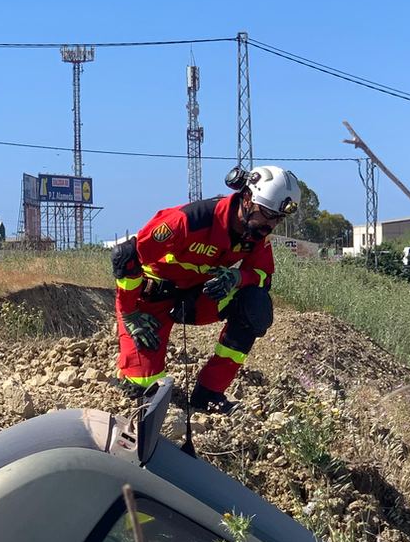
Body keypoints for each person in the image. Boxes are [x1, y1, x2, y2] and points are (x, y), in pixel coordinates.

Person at [111, 165, 301, 413]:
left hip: (196, 300)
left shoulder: (255, 233)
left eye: (278, 218)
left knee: (256, 305)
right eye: (266, 214)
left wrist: (237, 278)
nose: (271, 225)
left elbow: (263, 277)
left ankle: (208, 394)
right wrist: (129, 312)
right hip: (151, 304)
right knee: (144, 390)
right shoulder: (188, 221)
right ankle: (137, 372)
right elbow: (126, 258)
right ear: (247, 198)